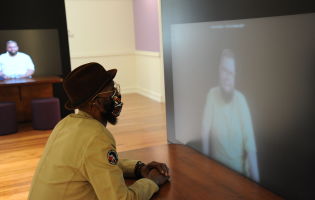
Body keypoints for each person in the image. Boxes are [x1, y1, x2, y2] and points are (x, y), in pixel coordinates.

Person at [28, 62, 170, 200]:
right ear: (95, 103)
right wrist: (152, 182)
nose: (117, 95)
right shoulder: (96, 137)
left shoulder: (65, 124)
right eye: (112, 90)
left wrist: (138, 168)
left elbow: (97, 164)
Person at [201, 49, 260, 182]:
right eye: (224, 71)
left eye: (231, 73)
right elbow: (205, 131)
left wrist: (257, 186)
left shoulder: (241, 100)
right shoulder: (211, 95)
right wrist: (204, 166)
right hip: (217, 172)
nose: (228, 77)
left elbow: (250, 146)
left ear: (235, 76)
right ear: (218, 71)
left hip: (239, 176)